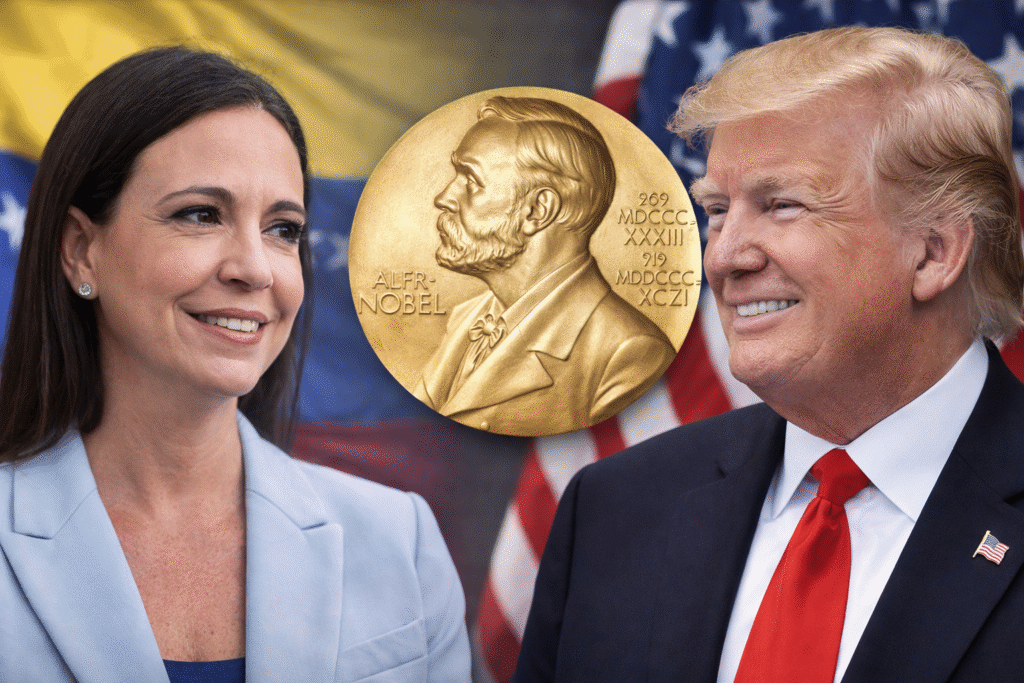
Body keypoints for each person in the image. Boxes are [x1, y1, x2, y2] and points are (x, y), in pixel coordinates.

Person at [513, 26, 1024, 683]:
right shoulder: (614, 509)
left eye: (781, 206)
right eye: (719, 210)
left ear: (934, 251)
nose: (725, 256)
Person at [0, 47, 469, 682]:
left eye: (283, 229)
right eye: (201, 215)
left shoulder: (401, 544)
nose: (254, 268)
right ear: (82, 251)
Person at [414, 96, 676, 435]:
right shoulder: (466, 319)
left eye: (471, 180)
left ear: (538, 210)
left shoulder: (630, 354)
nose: (444, 197)